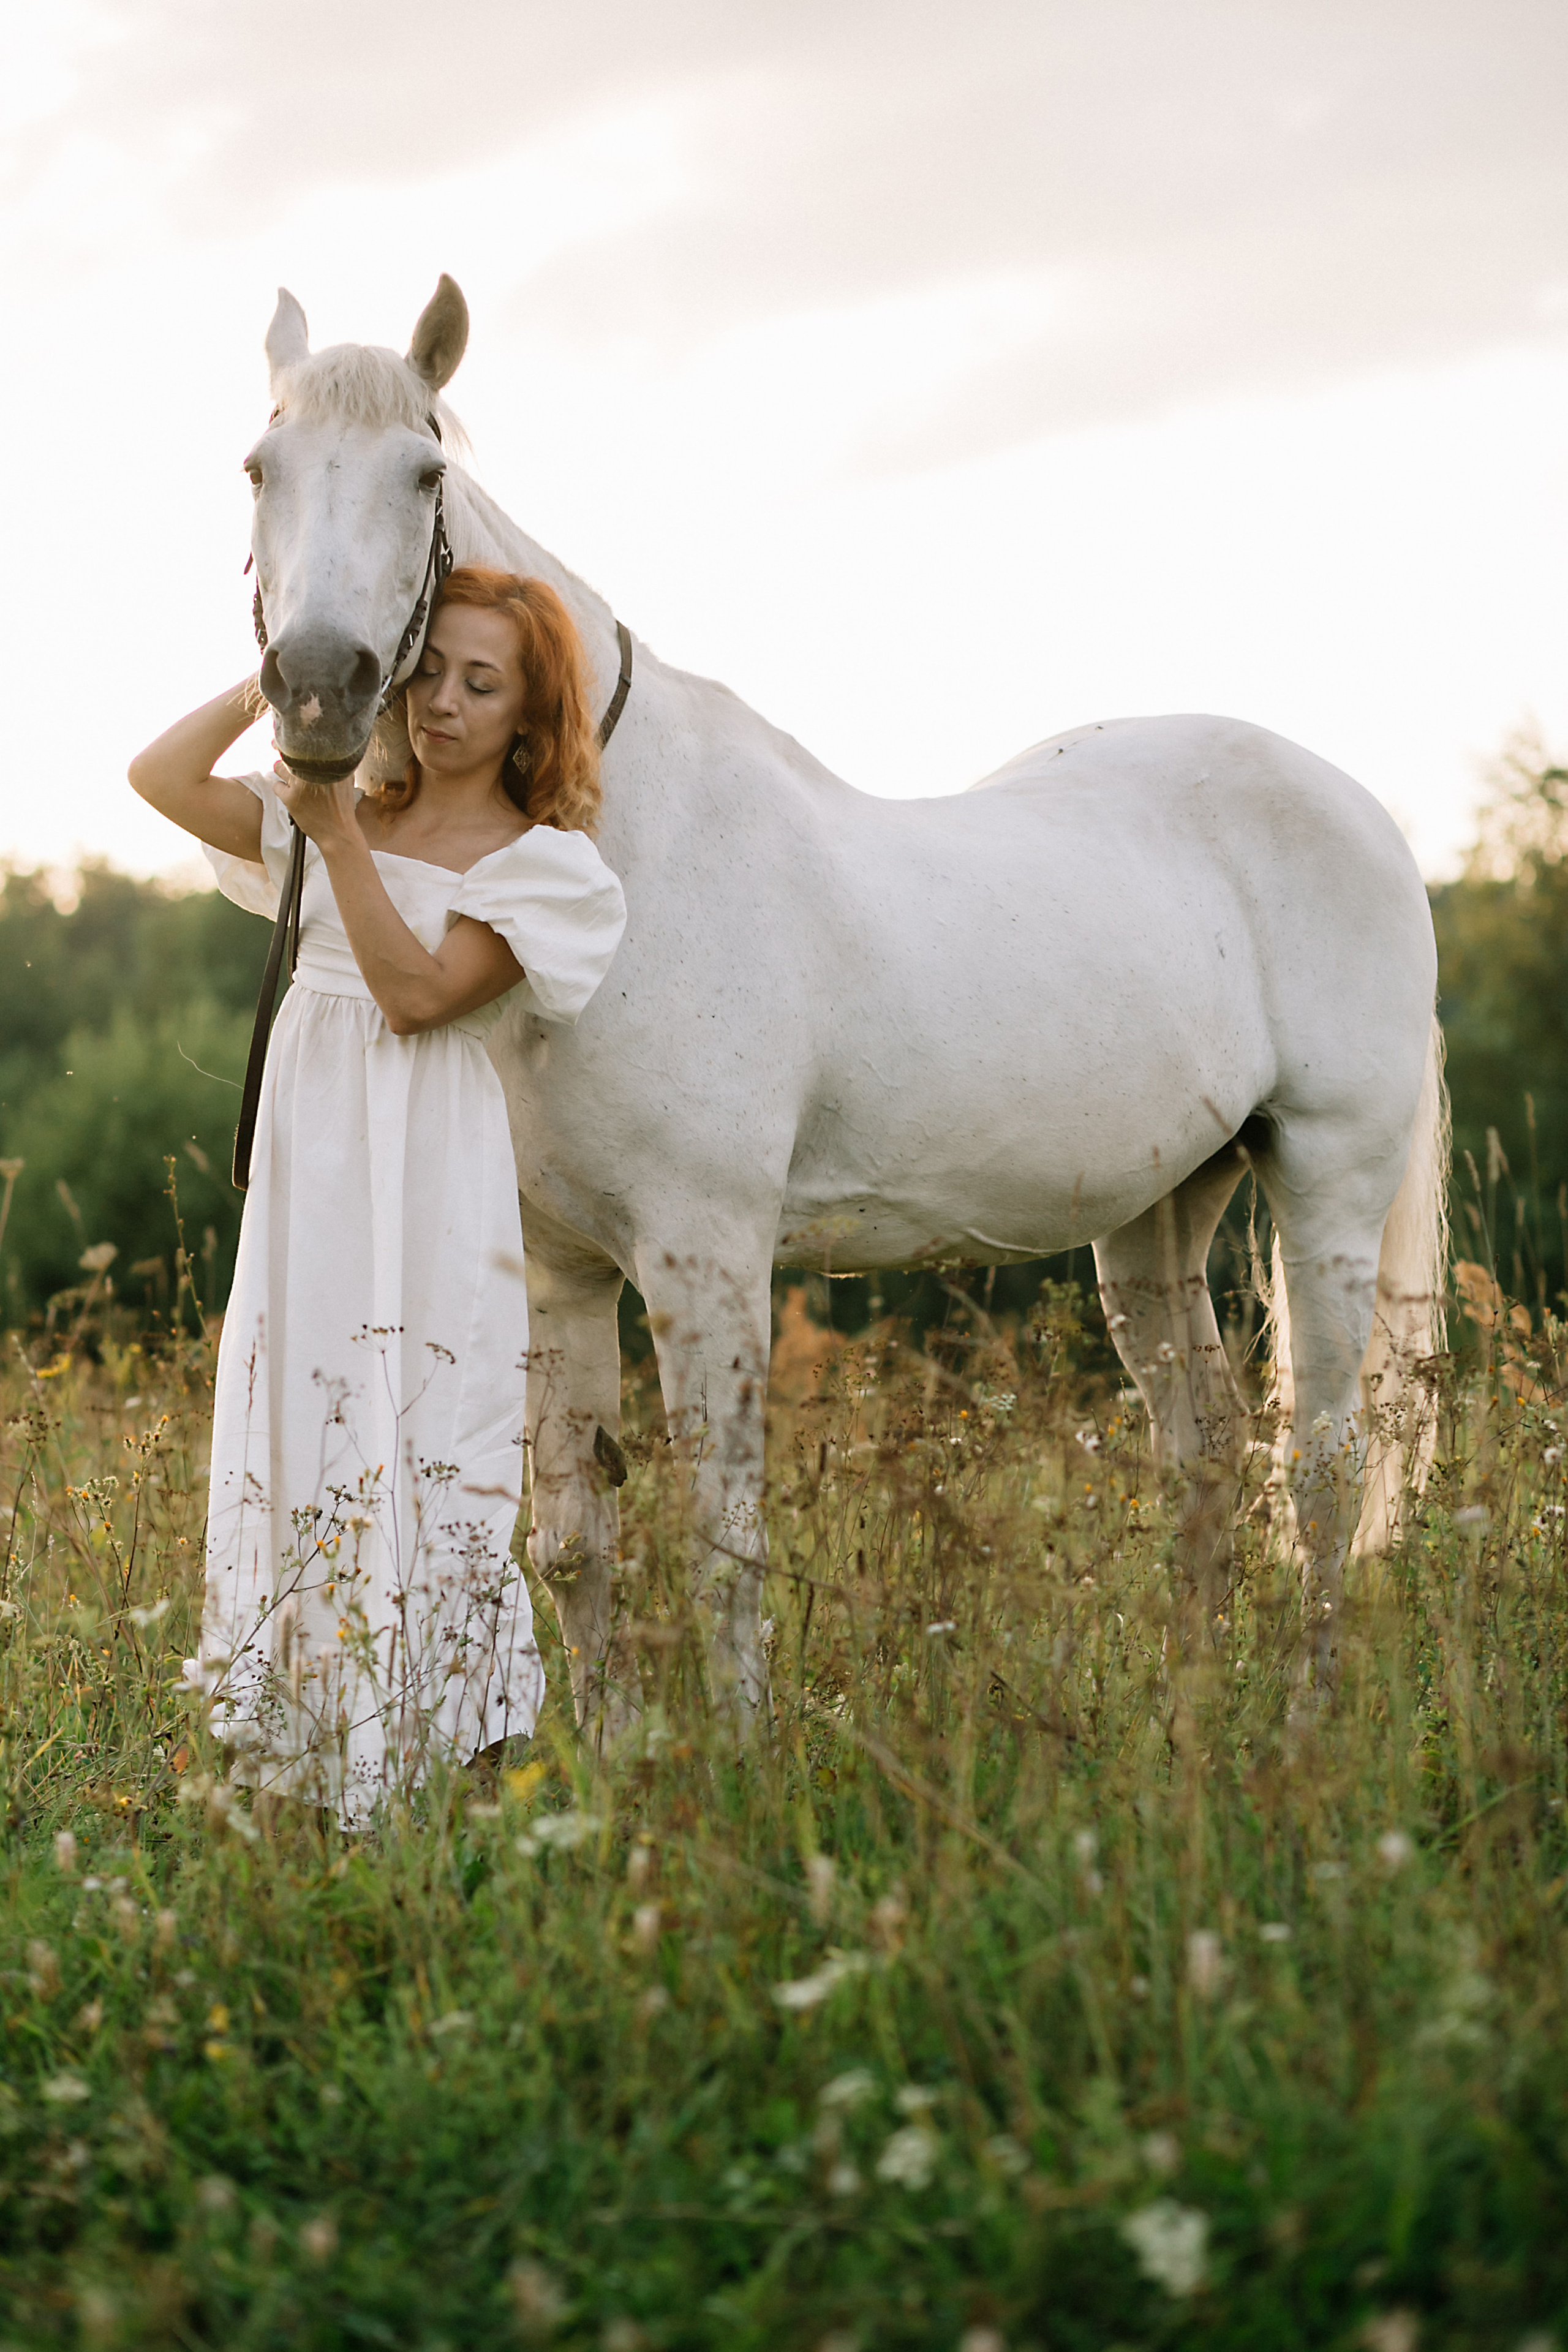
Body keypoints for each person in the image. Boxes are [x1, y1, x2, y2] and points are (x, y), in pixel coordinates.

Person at [129, 568, 627, 1821]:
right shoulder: (338, 804)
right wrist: (292, 680)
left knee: (427, 1422)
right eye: (429, 670)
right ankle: (299, 1737)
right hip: (313, 1151)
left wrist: (339, 837)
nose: (444, 702)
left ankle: (439, 1747)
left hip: (426, 1157)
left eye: (482, 683)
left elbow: (413, 997)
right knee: (300, 1414)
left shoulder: (540, 866)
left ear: (530, 715)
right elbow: (158, 775)